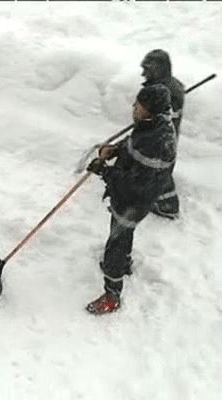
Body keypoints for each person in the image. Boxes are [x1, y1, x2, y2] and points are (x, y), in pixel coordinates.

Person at [85, 84, 177, 315]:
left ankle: (111, 294)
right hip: (131, 197)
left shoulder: (157, 142)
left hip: (134, 200)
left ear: (150, 110)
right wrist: (115, 150)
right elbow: (133, 143)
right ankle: (123, 263)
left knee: (115, 242)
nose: (133, 106)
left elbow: (134, 185)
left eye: (139, 104)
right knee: (122, 234)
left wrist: (104, 171)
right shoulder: (152, 126)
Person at [140, 49, 184, 219]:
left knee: (159, 169)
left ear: (158, 70)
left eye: (148, 70)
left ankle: (168, 206)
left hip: (162, 138)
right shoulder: (165, 85)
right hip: (156, 135)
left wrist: (151, 114)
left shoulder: (169, 91)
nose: (143, 74)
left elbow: (169, 115)